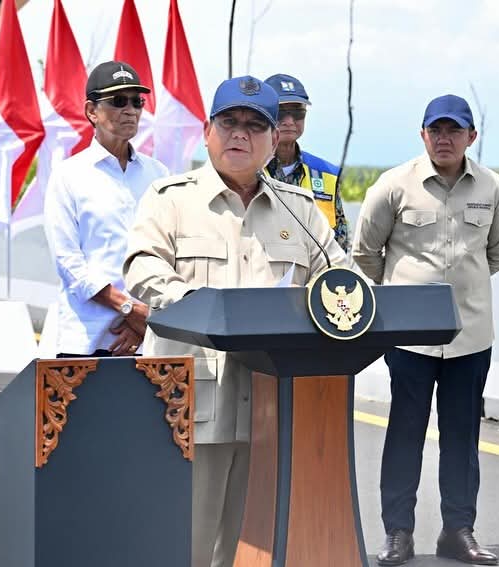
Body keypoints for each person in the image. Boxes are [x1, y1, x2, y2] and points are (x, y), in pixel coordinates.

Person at [123, 76, 348, 567]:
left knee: (251, 550)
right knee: (182, 545)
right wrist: (199, 305)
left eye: (255, 125)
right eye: (229, 122)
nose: (240, 134)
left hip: (271, 405)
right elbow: (141, 267)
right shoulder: (171, 198)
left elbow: (342, 281)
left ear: (274, 139)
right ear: (208, 131)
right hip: (190, 402)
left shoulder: (300, 210)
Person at [352, 94, 499, 566]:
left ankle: (458, 532)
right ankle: (398, 533)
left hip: (469, 336)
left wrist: (459, 289)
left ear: (471, 136)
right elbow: (366, 252)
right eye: (436, 130)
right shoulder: (393, 185)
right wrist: (404, 299)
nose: (445, 138)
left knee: (462, 439)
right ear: (423, 134)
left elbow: (498, 254)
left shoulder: (492, 187)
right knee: (404, 434)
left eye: (454, 130)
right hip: (409, 339)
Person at [43, 60, 168, 357]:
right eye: (118, 101)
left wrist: (142, 321)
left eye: (137, 101)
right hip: (86, 339)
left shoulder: (159, 174)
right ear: (91, 111)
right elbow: (68, 261)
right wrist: (128, 308)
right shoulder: (67, 175)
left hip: (146, 338)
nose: (131, 110)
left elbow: (169, 253)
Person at [264, 73, 351, 251]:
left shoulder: (327, 173)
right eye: (280, 113)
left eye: (297, 113)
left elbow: (340, 242)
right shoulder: (246, 170)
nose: (289, 121)